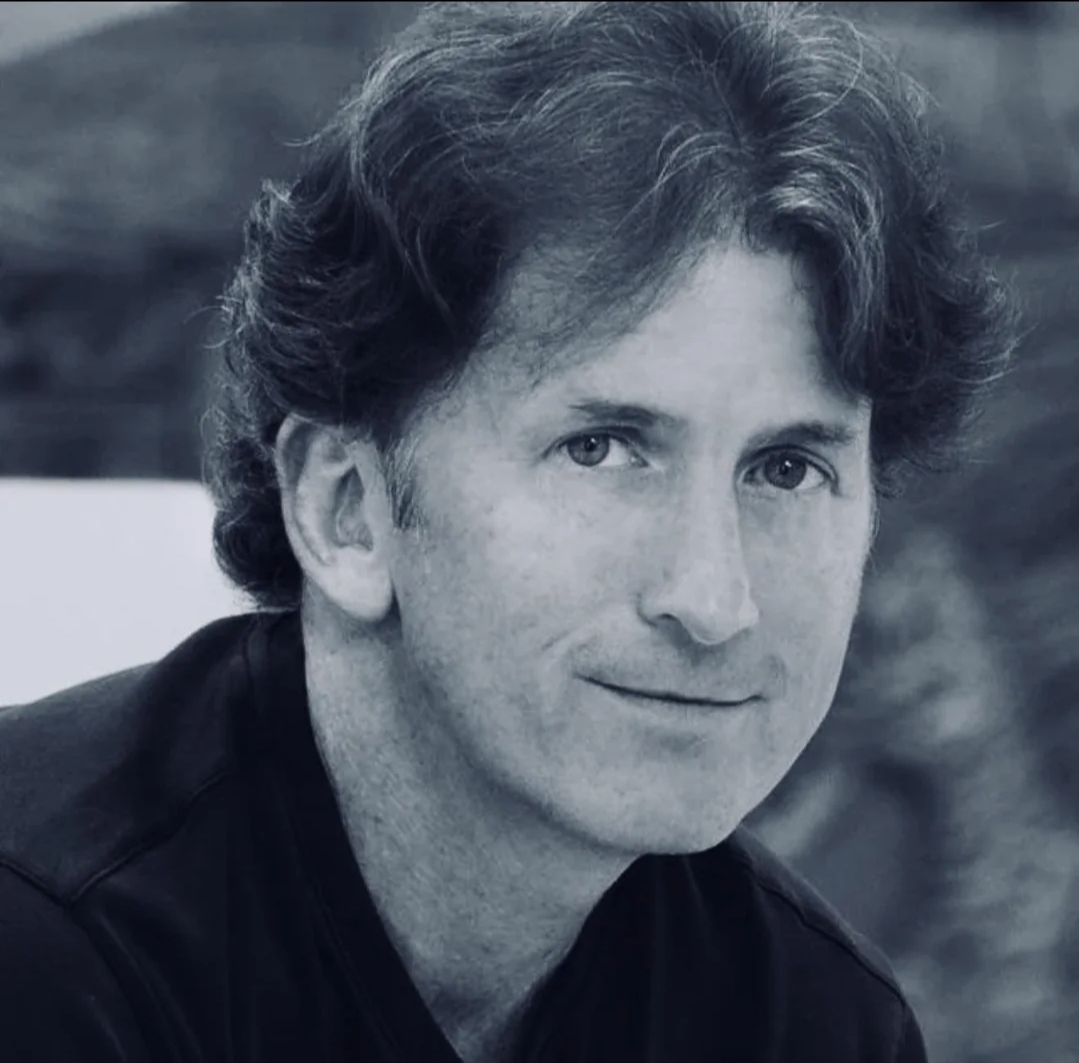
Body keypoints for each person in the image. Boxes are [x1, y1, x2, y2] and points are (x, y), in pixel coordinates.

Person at [0, 3, 1014, 1060]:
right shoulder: (41, 951)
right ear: (345, 508)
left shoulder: (812, 1022)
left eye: (786, 468)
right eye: (602, 449)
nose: (714, 600)